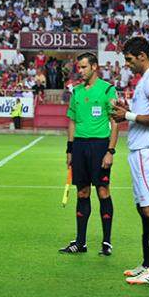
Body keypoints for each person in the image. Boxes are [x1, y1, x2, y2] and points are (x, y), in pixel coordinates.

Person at [112, 37, 149, 285]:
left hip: (148, 150)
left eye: (130, 59)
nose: (127, 64)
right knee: (142, 207)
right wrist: (129, 112)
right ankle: (147, 264)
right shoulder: (145, 80)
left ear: (142, 56)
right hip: (139, 151)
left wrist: (128, 115)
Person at [59, 53, 118, 256]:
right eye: (79, 68)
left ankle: (107, 242)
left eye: (84, 67)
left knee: (102, 191)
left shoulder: (108, 90)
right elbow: (72, 121)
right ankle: (81, 242)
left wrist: (110, 151)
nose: (80, 71)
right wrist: (69, 149)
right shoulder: (76, 92)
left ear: (94, 67)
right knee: (82, 192)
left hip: (100, 145)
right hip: (79, 147)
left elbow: (115, 122)